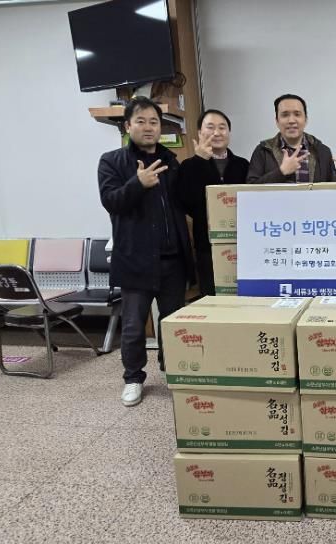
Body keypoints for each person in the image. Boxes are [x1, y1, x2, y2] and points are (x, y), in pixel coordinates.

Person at [98, 96, 195, 407]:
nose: (148, 127)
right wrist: (137, 183)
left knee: (172, 322)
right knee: (133, 326)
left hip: (172, 260)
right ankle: (133, 378)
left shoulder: (171, 161)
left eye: (154, 121)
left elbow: (186, 202)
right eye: (140, 121)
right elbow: (111, 201)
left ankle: (172, 370)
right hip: (135, 260)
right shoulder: (112, 161)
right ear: (128, 126)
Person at [177, 109, 249, 296]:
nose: (217, 133)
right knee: (212, 299)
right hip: (206, 246)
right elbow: (186, 203)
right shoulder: (188, 166)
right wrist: (200, 161)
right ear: (200, 133)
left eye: (222, 127)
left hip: (243, 244)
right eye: (210, 127)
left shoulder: (243, 165)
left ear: (229, 133)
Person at [247, 93, 335, 183]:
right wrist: (281, 172)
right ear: (277, 121)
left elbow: (334, 188)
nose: (291, 121)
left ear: (305, 119)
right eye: (285, 115)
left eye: (297, 114)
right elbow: (250, 187)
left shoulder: (323, 151)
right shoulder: (262, 151)